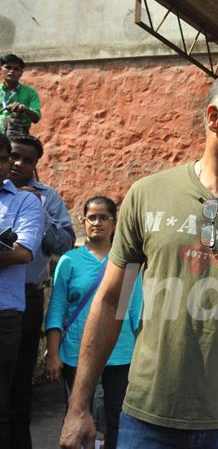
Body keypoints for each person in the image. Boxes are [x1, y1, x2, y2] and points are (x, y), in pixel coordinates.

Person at [58, 71, 218, 449]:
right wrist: (78, 405)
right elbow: (113, 300)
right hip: (147, 416)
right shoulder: (148, 194)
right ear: (213, 118)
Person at [45, 196, 141, 449]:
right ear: (83, 221)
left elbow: (134, 309)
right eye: (92, 217)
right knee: (77, 415)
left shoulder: (127, 263)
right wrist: (53, 353)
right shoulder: (68, 261)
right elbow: (57, 308)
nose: (97, 223)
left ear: (114, 222)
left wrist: (141, 351)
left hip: (120, 351)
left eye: (103, 218)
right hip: (76, 351)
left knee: (117, 416)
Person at [7, 133, 75, 448]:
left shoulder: (47, 197)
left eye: (27, 160)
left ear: (36, 166)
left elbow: (63, 244)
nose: (18, 164)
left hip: (27, 296)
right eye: (14, 156)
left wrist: (39, 210)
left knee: (19, 382)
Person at [0, 132, 43, 446]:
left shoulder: (27, 201)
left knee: (3, 400)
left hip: (5, 314)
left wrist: (9, 253)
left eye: (4, 159)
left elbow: (23, 254)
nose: (6, 165)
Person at [0, 54, 41, 135]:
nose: (12, 71)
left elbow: (36, 118)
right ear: (1, 69)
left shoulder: (30, 92)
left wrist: (24, 109)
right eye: (8, 67)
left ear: (21, 73)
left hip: (20, 135)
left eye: (16, 69)